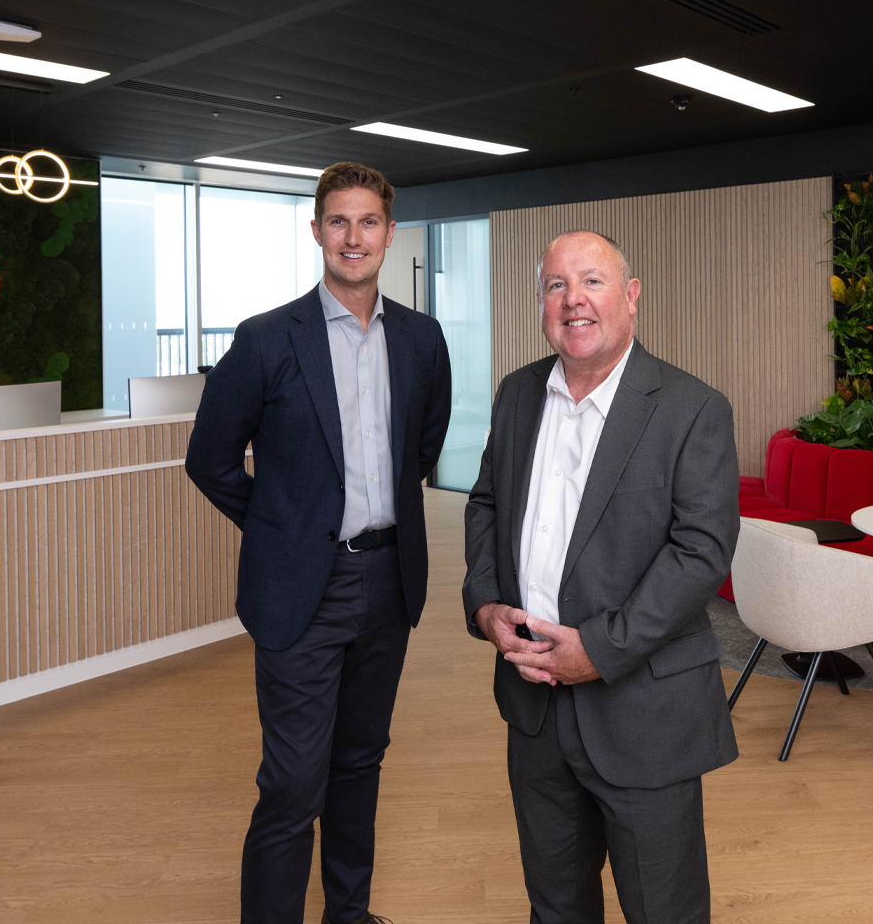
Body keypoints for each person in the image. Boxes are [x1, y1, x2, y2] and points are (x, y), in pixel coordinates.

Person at [186, 161, 452, 924]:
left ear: (389, 234)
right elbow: (208, 460)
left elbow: (421, 450)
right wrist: (283, 529)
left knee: (360, 762)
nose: (353, 236)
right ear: (316, 232)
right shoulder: (268, 339)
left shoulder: (421, 338)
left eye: (368, 221)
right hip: (303, 587)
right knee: (293, 783)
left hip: (389, 580)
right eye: (338, 221)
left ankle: (349, 913)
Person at [462, 230, 740, 923]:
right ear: (541, 302)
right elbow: (487, 503)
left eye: (591, 281)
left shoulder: (691, 408)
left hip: (644, 713)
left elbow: (701, 551)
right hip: (534, 712)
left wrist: (600, 649)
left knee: (663, 910)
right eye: (556, 285)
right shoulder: (518, 394)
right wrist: (487, 605)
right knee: (555, 906)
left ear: (631, 297)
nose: (573, 300)